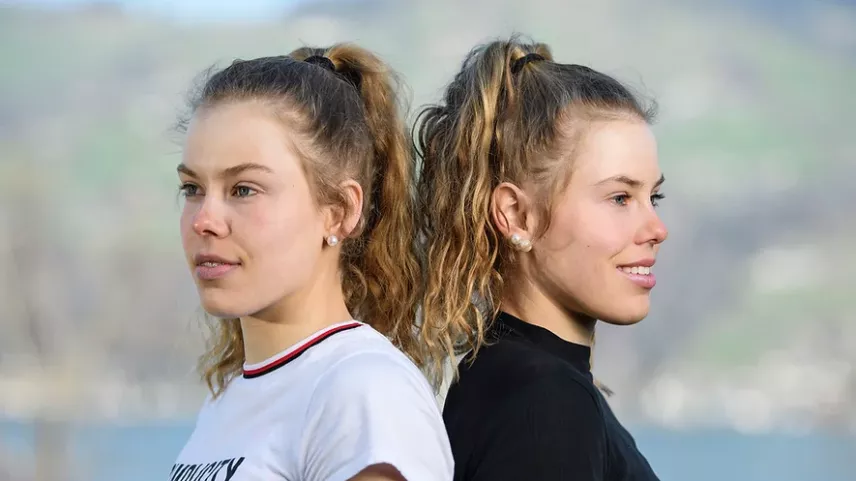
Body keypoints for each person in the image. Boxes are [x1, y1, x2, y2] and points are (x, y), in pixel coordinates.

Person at [170, 44, 453, 481]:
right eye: (192, 188)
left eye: (244, 189)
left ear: (339, 210)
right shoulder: (226, 399)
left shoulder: (364, 392)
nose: (205, 220)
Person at [415, 36, 668, 481]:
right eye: (619, 197)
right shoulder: (547, 400)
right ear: (517, 215)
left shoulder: (501, 378)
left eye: (654, 197)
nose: (656, 230)